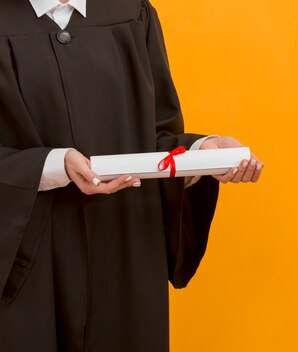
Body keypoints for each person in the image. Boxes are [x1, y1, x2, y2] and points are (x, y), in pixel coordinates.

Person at [0, 0, 263, 350]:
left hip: (122, 251)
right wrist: (52, 164)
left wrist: (201, 153)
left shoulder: (130, 12)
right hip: (29, 263)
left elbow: (155, 137)